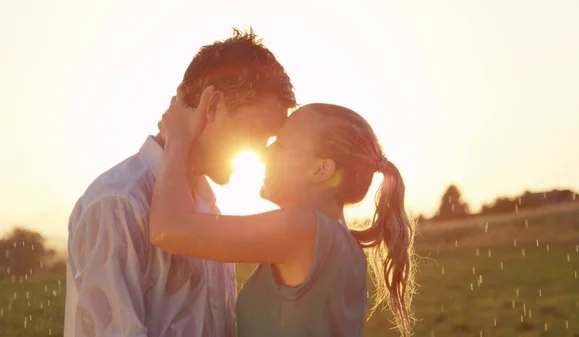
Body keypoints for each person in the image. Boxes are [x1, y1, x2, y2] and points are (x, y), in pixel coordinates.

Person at [63, 28, 296, 337]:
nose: (260, 154)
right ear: (211, 106)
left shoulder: (205, 205)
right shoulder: (118, 202)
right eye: (255, 134)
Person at [149, 86, 417, 337]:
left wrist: (178, 137)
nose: (264, 153)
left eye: (281, 146)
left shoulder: (301, 229)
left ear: (322, 169)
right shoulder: (345, 246)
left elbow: (170, 229)